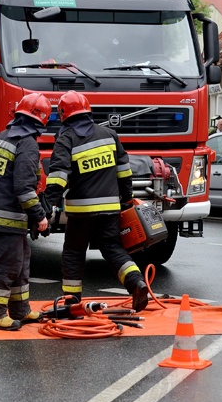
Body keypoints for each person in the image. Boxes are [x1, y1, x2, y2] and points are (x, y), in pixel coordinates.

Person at [44, 90, 149, 311]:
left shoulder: (66, 138)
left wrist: (47, 205)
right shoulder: (109, 134)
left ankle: (72, 303)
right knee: (113, 249)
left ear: (63, 114)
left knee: (74, 252)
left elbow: (58, 177)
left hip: (82, 211)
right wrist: (127, 198)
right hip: (110, 208)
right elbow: (124, 171)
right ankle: (136, 283)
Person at [0, 93, 50, 330]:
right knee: (8, 265)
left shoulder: (3, 135)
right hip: (8, 216)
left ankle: (21, 309)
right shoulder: (27, 144)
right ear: (41, 120)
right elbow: (24, 188)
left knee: (20, 262)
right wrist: (39, 216)